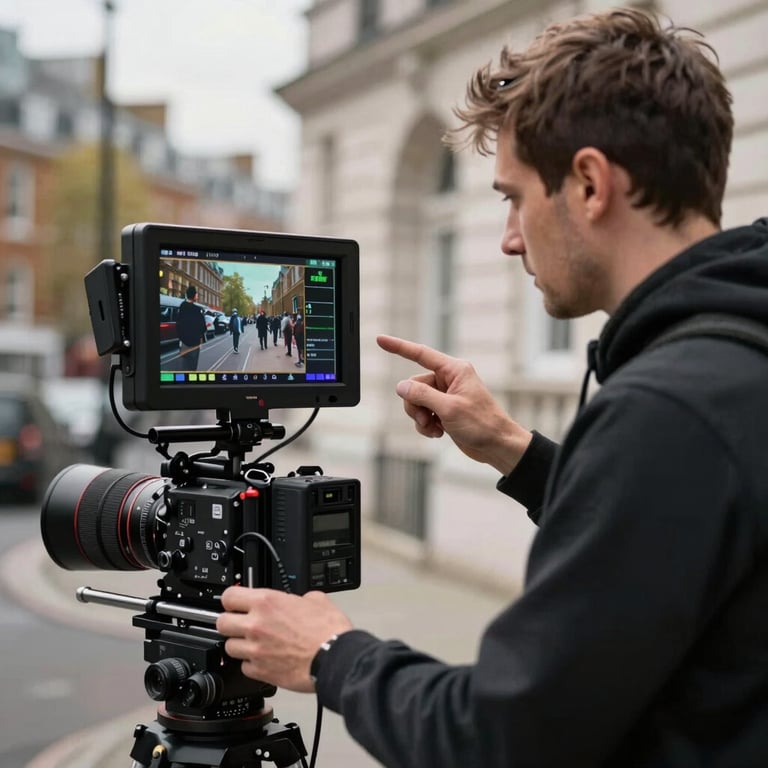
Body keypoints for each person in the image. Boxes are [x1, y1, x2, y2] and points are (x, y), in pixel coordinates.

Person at [216, 9, 768, 767]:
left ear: (588, 183)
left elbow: (504, 736)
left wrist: (330, 652)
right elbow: (679, 537)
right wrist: (517, 451)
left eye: (513, 196)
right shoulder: (735, 359)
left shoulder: (669, 410)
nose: (509, 236)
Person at [175, 285, 206, 371]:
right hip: (194, 344)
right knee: (192, 367)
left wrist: (181, 338)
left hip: (184, 343)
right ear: (195, 296)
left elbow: (178, 325)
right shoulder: (197, 310)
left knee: (184, 366)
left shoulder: (182, 307)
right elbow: (203, 327)